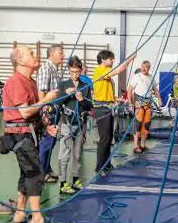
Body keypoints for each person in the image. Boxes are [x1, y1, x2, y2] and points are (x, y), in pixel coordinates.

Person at [2, 46, 59, 223]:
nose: (36, 55)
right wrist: (47, 98)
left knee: (26, 173)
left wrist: (45, 125)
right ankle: (36, 218)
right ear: (20, 60)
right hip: (20, 135)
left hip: (29, 133)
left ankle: (20, 212)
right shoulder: (16, 82)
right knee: (35, 172)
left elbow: (33, 113)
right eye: (31, 54)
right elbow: (25, 112)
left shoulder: (30, 81)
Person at [92, 50, 136, 174]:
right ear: (103, 60)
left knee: (109, 138)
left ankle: (106, 164)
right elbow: (118, 70)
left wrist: (119, 99)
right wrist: (130, 59)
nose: (112, 61)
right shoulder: (99, 70)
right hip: (101, 108)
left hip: (108, 107)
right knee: (104, 138)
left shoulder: (106, 75)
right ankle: (99, 167)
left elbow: (106, 94)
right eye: (111, 59)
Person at [57, 56, 92, 195]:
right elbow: (58, 103)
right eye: (72, 72)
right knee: (64, 154)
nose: (75, 75)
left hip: (80, 123)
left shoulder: (85, 86)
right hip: (66, 122)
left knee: (77, 154)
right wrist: (66, 94)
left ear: (81, 71)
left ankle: (75, 179)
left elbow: (90, 106)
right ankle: (62, 183)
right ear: (69, 70)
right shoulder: (63, 84)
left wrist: (82, 100)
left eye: (77, 72)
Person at [37, 44, 64, 184]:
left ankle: (46, 168)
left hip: (55, 109)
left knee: (51, 142)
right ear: (52, 53)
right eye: (60, 52)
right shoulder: (46, 68)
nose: (63, 55)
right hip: (48, 111)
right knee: (46, 142)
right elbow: (41, 93)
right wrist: (44, 115)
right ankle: (41, 173)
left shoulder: (54, 69)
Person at [128, 60, 162, 153]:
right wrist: (130, 102)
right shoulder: (137, 76)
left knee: (146, 126)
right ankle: (135, 146)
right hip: (139, 104)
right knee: (137, 125)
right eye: (142, 66)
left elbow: (155, 90)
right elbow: (130, 89)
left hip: (148, 105)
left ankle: (142, 145)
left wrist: (159, 99)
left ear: (149, 68)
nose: (143, 68)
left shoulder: (151, 77)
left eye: (146, 67)